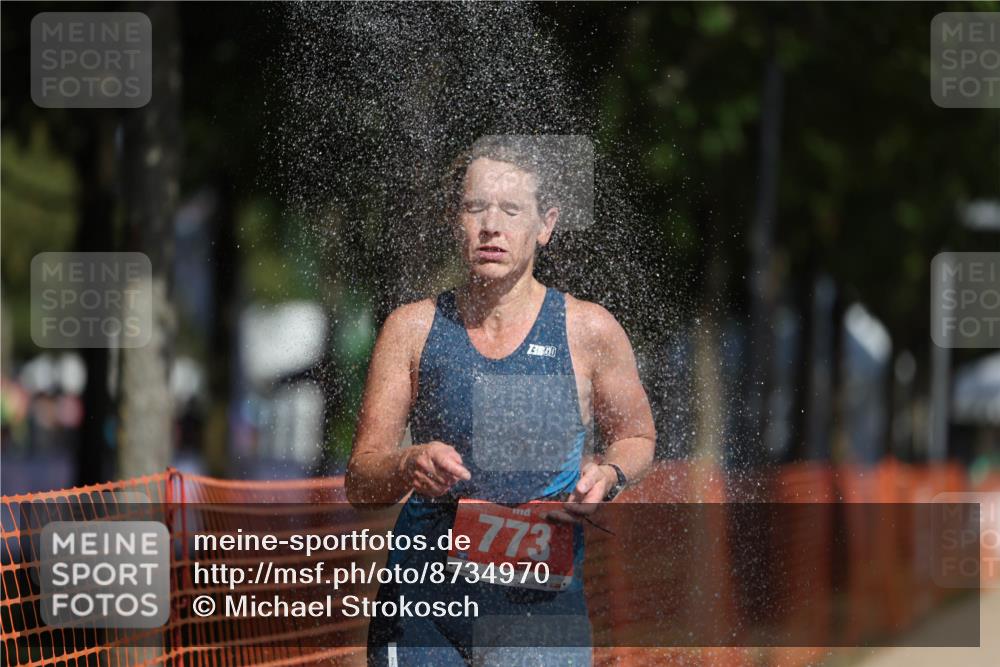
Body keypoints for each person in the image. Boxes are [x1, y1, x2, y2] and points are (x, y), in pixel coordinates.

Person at [346, 136, 655, 666]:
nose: (491, 225)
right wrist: (407, 462)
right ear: (455, 220)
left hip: (538, 611)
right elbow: (360, 479)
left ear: (546, 225)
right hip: (422, 604)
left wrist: (609, 476)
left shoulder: (588, 330)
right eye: (475, 208)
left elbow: (636, 436)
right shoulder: (412, 329)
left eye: (512, 210)